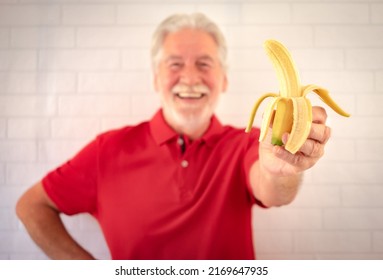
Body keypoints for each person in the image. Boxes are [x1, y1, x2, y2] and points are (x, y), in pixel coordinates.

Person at [16, 13, 331, 260]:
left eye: (204, 64)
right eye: (175, 64)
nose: (191, 77)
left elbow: (274, 190)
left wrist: (283, 168)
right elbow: (31, 206)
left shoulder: (248, 143)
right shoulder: (107, 151)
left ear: (223, 80)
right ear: (156, 78)